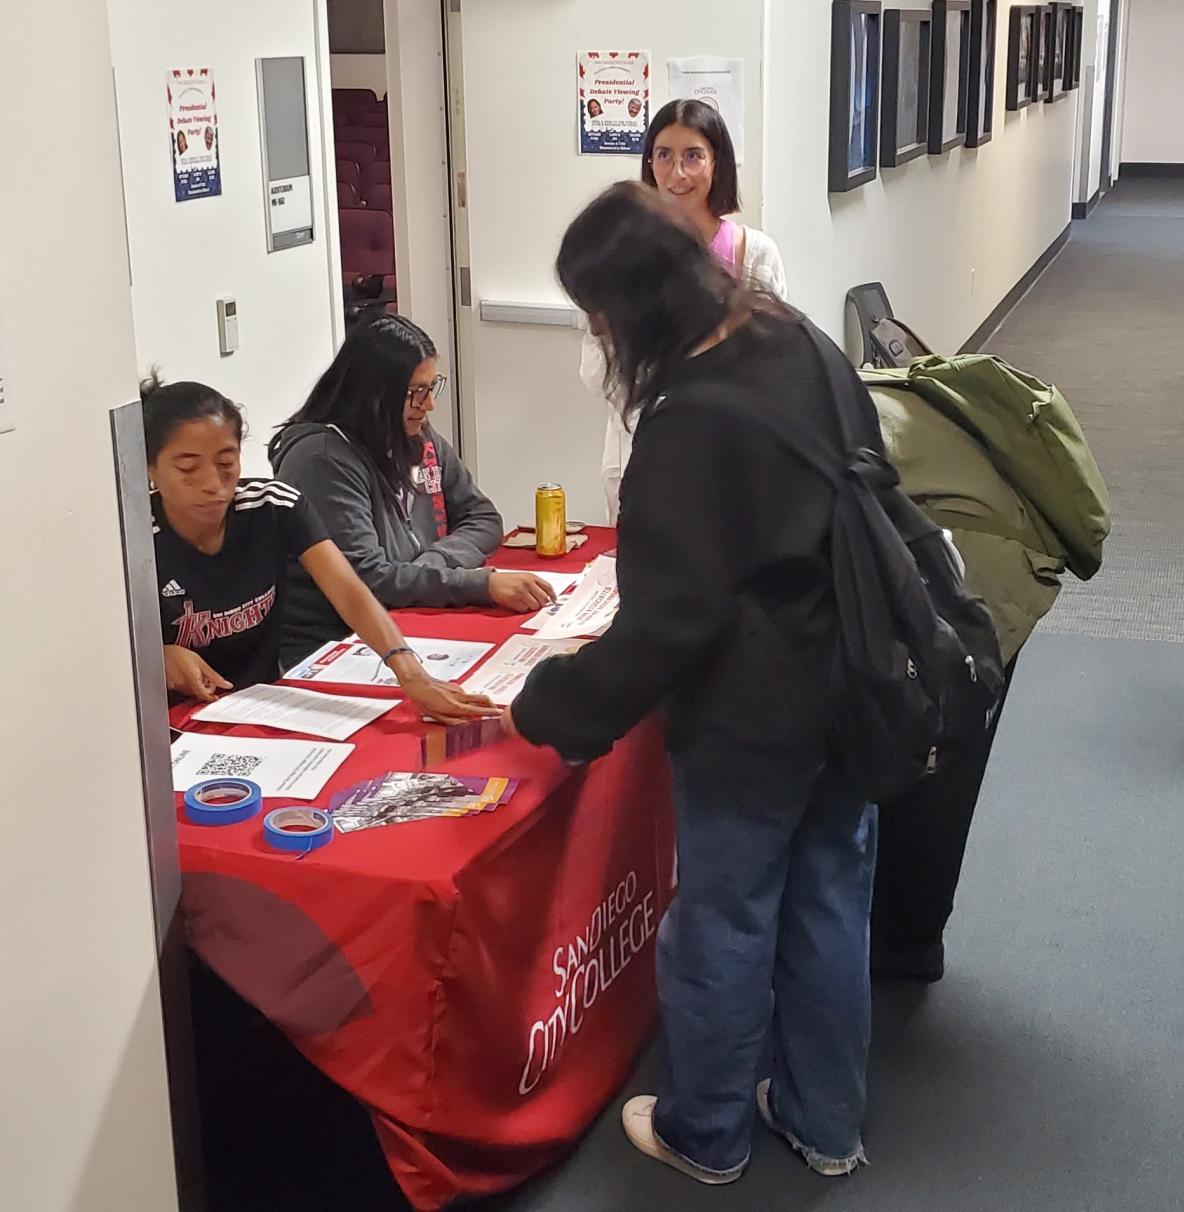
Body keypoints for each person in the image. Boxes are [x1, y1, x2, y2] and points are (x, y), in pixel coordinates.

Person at [507, 181, 870, 1185]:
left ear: (632, 304)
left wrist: (551, 703)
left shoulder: (687, 421)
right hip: (854, 679)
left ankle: (705, 1132)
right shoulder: (797, 338)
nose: (596, 327)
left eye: (596, 307)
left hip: (754, 716)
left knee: (723, 920)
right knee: (830, 899)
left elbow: (672, 621)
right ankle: (825, 1120)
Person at [862, 361, 1110, 981]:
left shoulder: (792, 420)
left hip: (978, 564)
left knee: (934, 756)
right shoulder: (827, 383)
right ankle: (907, 936)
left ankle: (907, 944)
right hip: (980, 536)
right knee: (939, 749)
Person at [144, 374, 494, 723]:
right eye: (188, 468)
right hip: (168, 727)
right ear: (149, 469)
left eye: (225, 463)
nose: (212, 484)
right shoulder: (132, 540)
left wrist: (411, 673)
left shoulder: (273, 507)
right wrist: (155, 659)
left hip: (261, 706)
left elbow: (350, 591)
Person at [270, 312, 550, 666]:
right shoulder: (321, 460)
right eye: (415, 393)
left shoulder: (413, 432)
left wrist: (434, 563)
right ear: (373, 393)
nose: (428, 405)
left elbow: (482, 517)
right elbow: (370, 580)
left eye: (431, 388)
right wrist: (479, 584)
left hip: (411, 617)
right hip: (337, 644)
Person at [594, 98, 789, 520]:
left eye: (693, 157)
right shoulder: (621, 254)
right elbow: (598, 372)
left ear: (717, 163)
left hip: (733, 452)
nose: (676, 173)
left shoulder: (752, 254)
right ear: (649, 163)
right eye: (663, 156)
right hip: (643, 450)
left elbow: (775, 363)